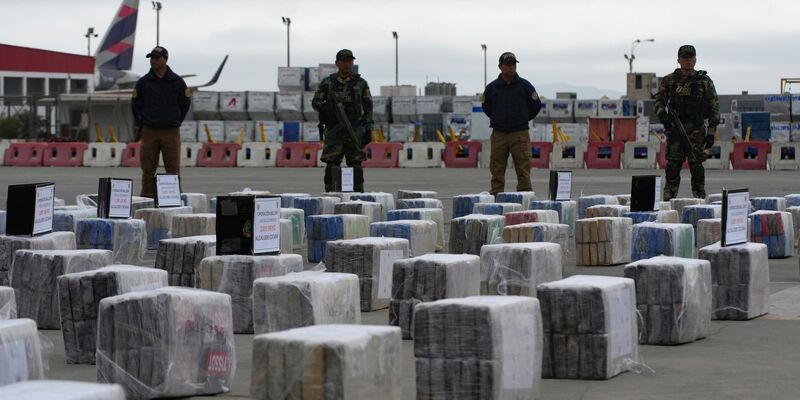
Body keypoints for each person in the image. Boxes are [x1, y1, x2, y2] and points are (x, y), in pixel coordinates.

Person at [655, 44, 719, 200]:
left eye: (691, 58)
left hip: (696, 131)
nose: (688, 61)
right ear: (679, 60)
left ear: (695, 60)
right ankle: (668, 202)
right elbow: (658, 102)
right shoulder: (669, 81)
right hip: (676, 131)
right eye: (685, 58)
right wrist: (664, 117)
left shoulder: (704, 81)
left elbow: (714, 107)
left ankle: (699, 200)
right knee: (672, 167)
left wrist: (711, 133)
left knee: (697, 167)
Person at [131, 46, 191, 198]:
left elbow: (185, 103)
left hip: (170, 131)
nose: (153, 61)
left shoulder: (177, 81)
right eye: (151, 58)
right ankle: (147, 196)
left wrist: (176, 120)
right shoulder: (143, 82)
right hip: (149, 130)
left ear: (165, 59)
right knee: (148, 167)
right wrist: (142, 121)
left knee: (172, 167)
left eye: (156, 58)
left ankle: (173, 196)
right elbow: (136, 105)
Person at [312, 49, 373, 192]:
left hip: (354, 130)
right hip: (334, 131)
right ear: (337, 63)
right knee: (332, 166)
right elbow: (316, 102)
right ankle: (331, 194)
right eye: (344, 61)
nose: (347, 64)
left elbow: (368, 108)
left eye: (350, 61)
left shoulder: (360, 83)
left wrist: (368, 128)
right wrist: (328, 109)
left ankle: (358, 196)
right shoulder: (328, 83)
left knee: (356, 166)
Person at [481, 52, 542, 196]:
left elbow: (536, 105)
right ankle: (496, 194)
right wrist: (498, 118)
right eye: (508, 64)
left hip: (519, 133)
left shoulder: (525, 86)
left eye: (513, 64)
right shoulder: (492, 88)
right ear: (500, 67)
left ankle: (525, 195)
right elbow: (486, 107)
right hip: (499, 133)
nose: (511, 67)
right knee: (497, 166)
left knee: (523, 166)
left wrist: (523, 118)